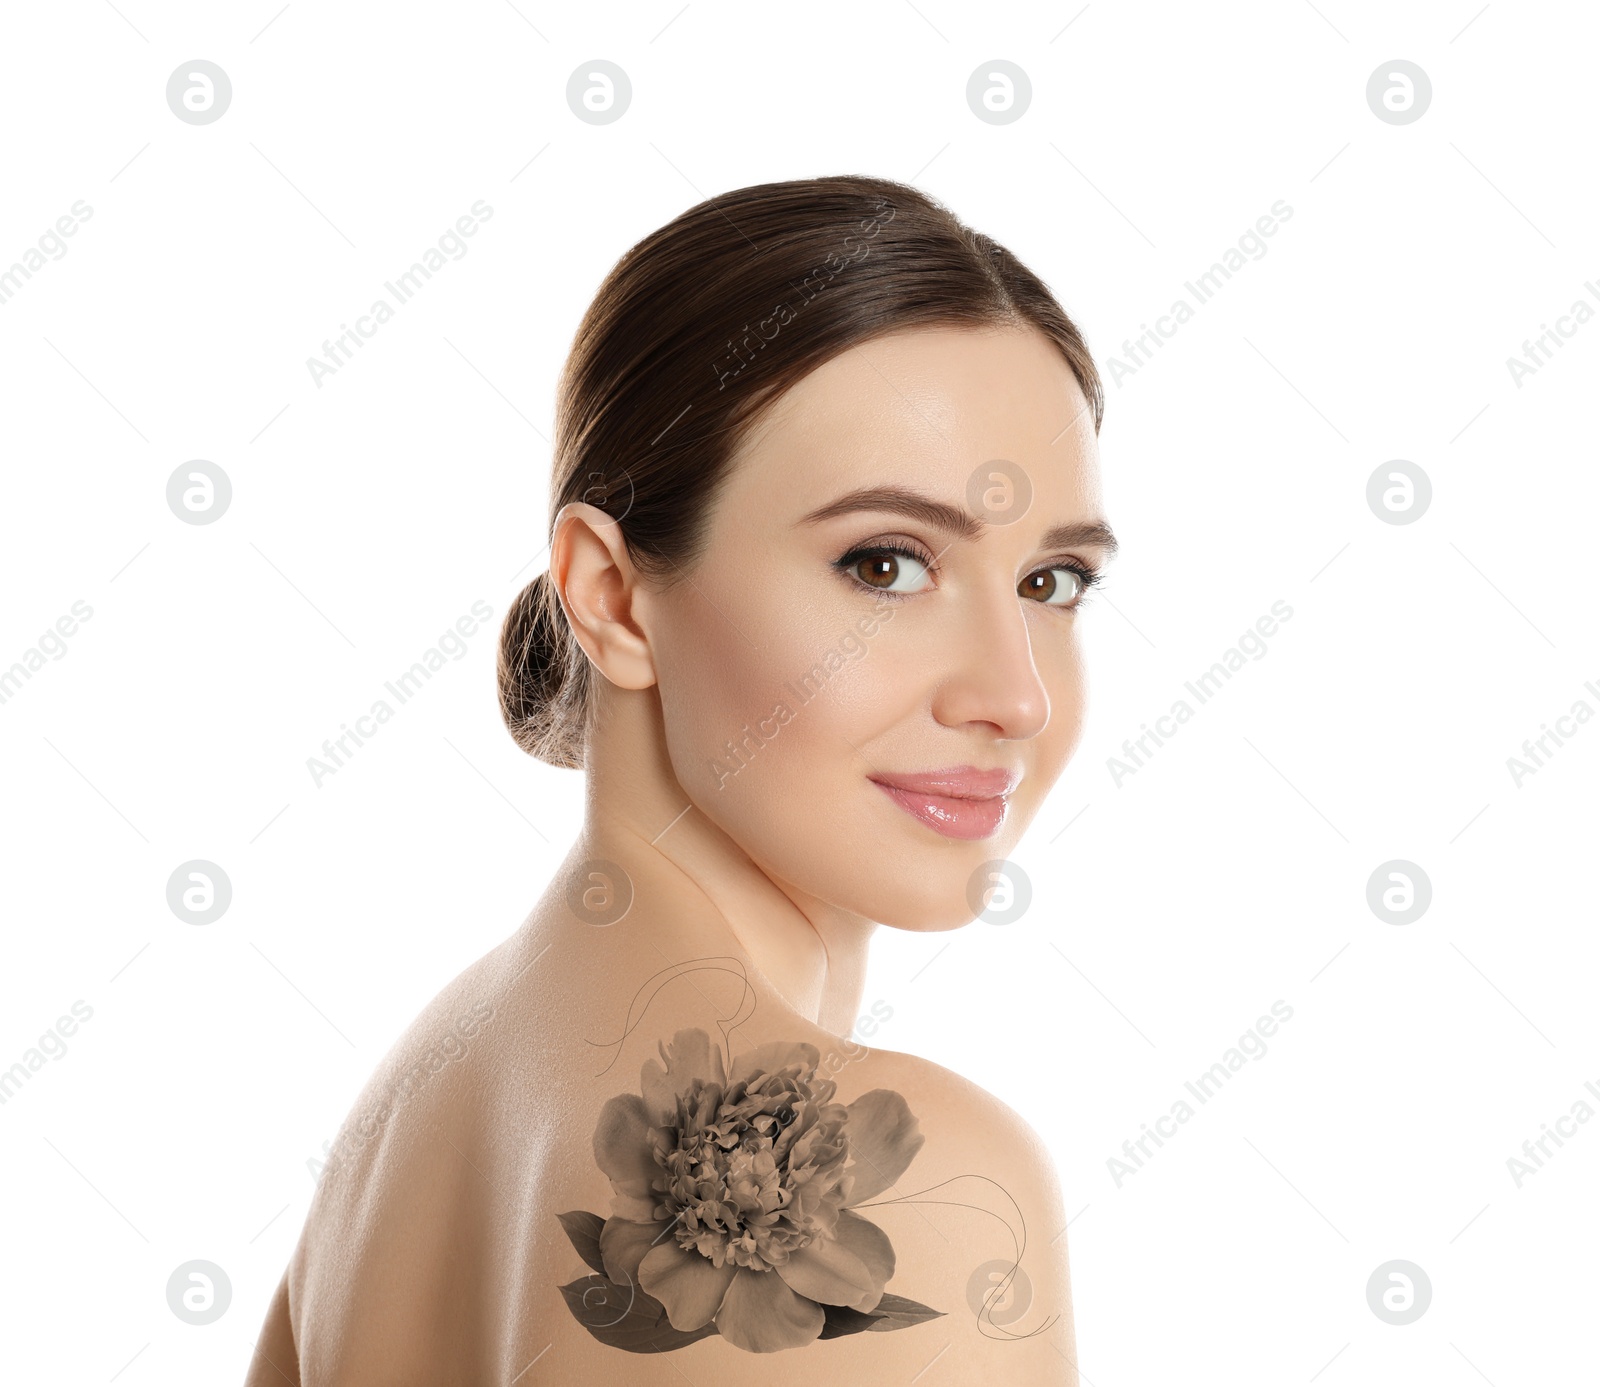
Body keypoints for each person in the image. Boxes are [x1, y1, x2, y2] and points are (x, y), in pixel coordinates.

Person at [244, 172, 1116, 1386]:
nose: (1014, 695)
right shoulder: (923, 1189)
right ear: (610, 595)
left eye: (1050, 583)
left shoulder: (410, 1111)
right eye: (883, 564)